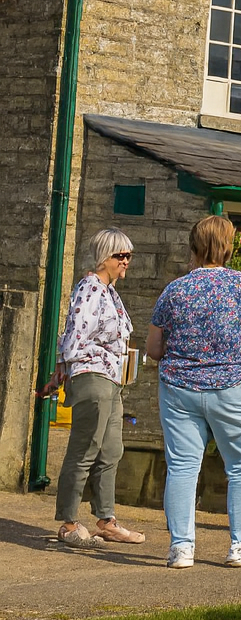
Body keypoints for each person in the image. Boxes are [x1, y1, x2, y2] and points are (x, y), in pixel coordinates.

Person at [147, 215, 241, 569]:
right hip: (233, 385)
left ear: (194, 246)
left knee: (182, 467)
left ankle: (181, 549)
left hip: (180, 387)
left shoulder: (175, 290)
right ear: (228, 247)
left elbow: (154, 349)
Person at [47, 228, 147, 548]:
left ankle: (106, 520)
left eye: (129, 256)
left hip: (112, 380)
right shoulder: (90, 287)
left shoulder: (109, 292)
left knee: (111, 450)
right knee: (85, 449)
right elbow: (74, 334)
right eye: (121, 255)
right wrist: (62, 369)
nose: (126, 261)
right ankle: (68, 522)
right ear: (105, 257)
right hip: (93, 376)